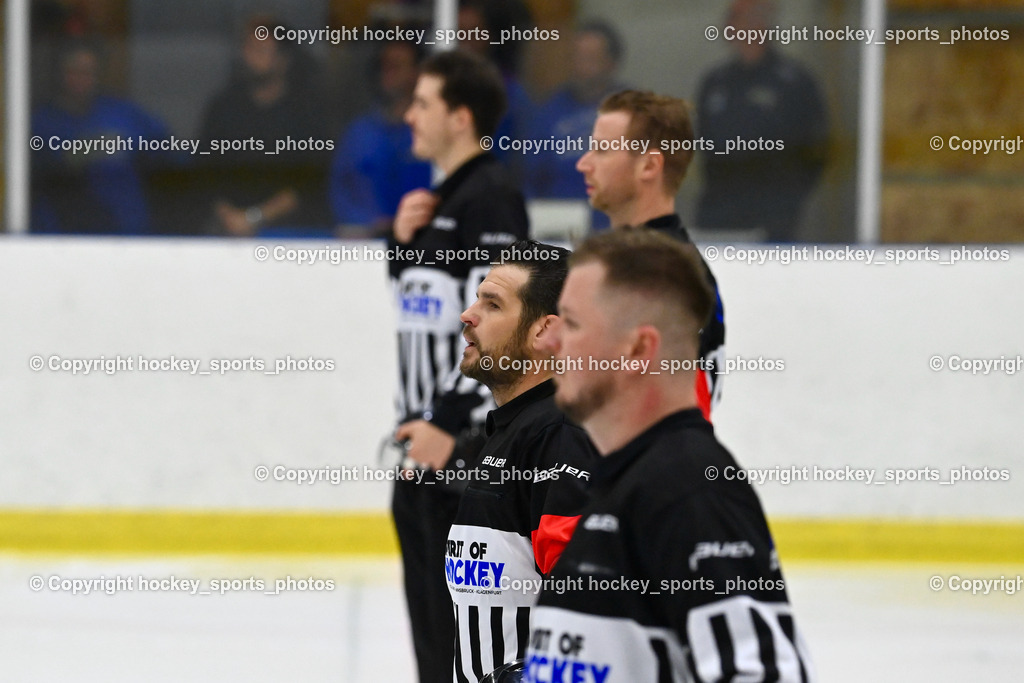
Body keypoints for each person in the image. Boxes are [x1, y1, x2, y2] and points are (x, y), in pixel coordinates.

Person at [525, 230, 815, 682]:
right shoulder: (622, 478)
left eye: (573, 323)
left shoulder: (690, 489)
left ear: (638, 350)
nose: (550, 342)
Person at [388, 49, 529, 683]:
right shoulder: (437, 202)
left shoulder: (490, 201)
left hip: (462, 451)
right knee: (432, 639)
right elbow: (427, 312)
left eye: (423, 103)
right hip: (426, 450)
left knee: (462, 646)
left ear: (461, 116)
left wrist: (447, 419)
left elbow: (501, 329)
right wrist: (399, 248)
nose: (409, 113)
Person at [447, 240, 598, 682]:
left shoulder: (558, 435)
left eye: (492, 304)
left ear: (544, 332)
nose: (467, 315)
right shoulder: (516, 431)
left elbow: (590, 591)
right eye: (477, 298)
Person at [575, 89, 726, 417]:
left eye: (601, 150)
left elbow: (685, 410)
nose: (583, 164)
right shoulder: (638, 261)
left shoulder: (666, 274)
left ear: (648, 165)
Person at [695, 0, 828, 242]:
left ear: (761, 23)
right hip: (721, 210)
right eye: (731, 18)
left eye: (738, 17)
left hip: (773, 215)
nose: (730, 25)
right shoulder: (715, 82)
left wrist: (788, 198)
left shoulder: (794, 82)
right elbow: (704, 144)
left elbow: (817, 149)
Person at [198, 15, 331, 235]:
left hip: (291, 234)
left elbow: (310, 182)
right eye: (248, 49)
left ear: (283, 59)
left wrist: (254, 218)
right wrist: (230, 218)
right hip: (226, 230)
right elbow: (203, 172)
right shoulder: (223, 107)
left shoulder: (307, 112)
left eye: (261, 50)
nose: (251, 57)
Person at [31, 40, 173, 235]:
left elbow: (168, 150)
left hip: (129, 234)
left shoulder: (122, 113)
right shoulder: (41, 122)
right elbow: (52, 163)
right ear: (59, 73)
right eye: (74, 70)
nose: (81, 78)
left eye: (88, 72)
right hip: (62, 238)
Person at [525, 20, 627, 230]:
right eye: (576, 57)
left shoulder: (632, 111)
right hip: (558, 230)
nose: (581, 66)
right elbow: (531, 179)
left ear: (611, 62)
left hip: (617, 230)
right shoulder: (548, 112)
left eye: (590, 58)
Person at [328, 39, 431, 238]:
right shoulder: (359, 133)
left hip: (425, 246)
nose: (388, 72)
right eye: (384, 66)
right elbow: (339, 189)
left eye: (396, 66)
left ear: (416, 73)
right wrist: (365, 221)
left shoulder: (432, 130)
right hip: (366, 247)